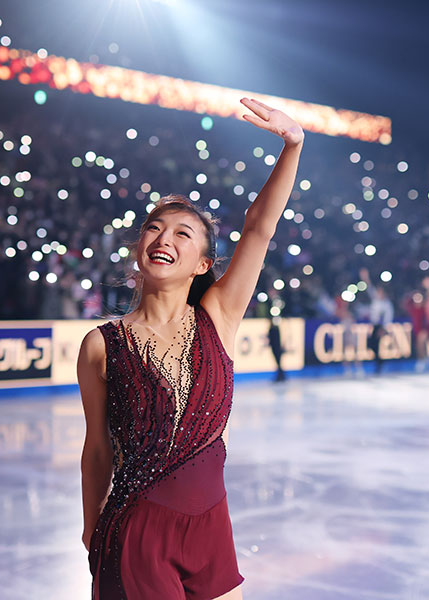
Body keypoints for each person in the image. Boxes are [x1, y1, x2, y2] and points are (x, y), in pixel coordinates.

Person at [77, 98, 303, 600]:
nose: (164, 237)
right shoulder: (101, 345)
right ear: (140, 248)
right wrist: (92, 531)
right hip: (136, 535)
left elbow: (260, 229)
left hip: (212, 531)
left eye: (183, 233)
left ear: (202, 264)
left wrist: (293, 145)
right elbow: (96, 450)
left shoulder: (218, 318)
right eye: (154, 228)